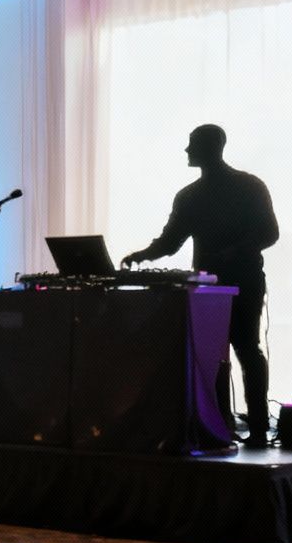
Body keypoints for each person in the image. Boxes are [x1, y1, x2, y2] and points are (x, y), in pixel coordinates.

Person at [120, 124, 280, 447]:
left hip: (236, 283)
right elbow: (170, 242)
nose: (186, 150)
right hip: (216, 287)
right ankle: (234, 426)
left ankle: (247, 426)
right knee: (235, 353)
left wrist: (233, 252)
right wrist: (141, 255)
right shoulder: (236, 188)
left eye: (192, 144)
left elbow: (269, 233)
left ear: (211, 147)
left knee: (241, 350)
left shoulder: (205, 194)